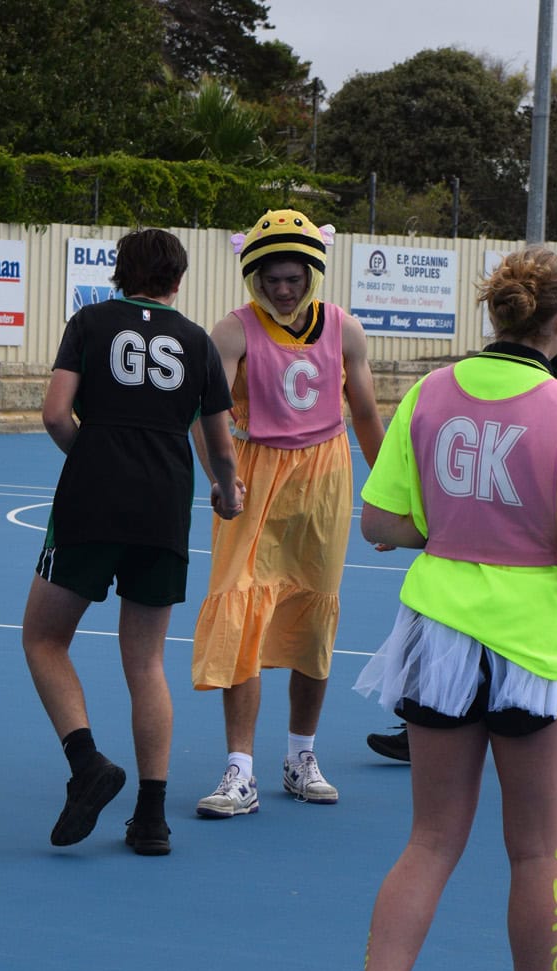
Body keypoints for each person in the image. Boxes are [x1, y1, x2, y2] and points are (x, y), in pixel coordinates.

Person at [355, 248, 557, 971]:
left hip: (436, 634)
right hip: (530, 643)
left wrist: (446, 531)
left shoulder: (431, 392)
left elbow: (380, 521)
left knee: (429, 843)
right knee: (536, 854)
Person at [24, 228, 242, 857]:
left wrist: (89, 454)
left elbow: (55, 414)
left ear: (118, 273)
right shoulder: (197, 342)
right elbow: (221, 446)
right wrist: (227, 492)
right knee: (146, 662)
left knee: (43, 639)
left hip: (90, 503)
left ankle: (87, 761)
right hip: (163, 506)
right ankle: (151, 818)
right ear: (178, 279)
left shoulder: (90, 323)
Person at [190, 208, 384, 817]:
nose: (282, 289)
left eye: (293, 278)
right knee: (241, 611)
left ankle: (302, 756)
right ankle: (239, 770)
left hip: (324, 478)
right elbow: (206, 414)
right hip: (254, 476)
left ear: (311, 276)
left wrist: (389, 497)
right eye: (271, 279)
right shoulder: (232, 332)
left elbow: (365, 414)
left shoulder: (345, 329)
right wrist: (220, 479)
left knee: (313, 616)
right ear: (254, 277)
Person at [367, 311, 557, 769]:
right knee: (536, 828)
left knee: (435, 826)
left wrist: (431, 526)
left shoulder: (434, 389)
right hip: (526, 607)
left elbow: (378, 522)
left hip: (461, 596)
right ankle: (529, 722)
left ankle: (532, 724)